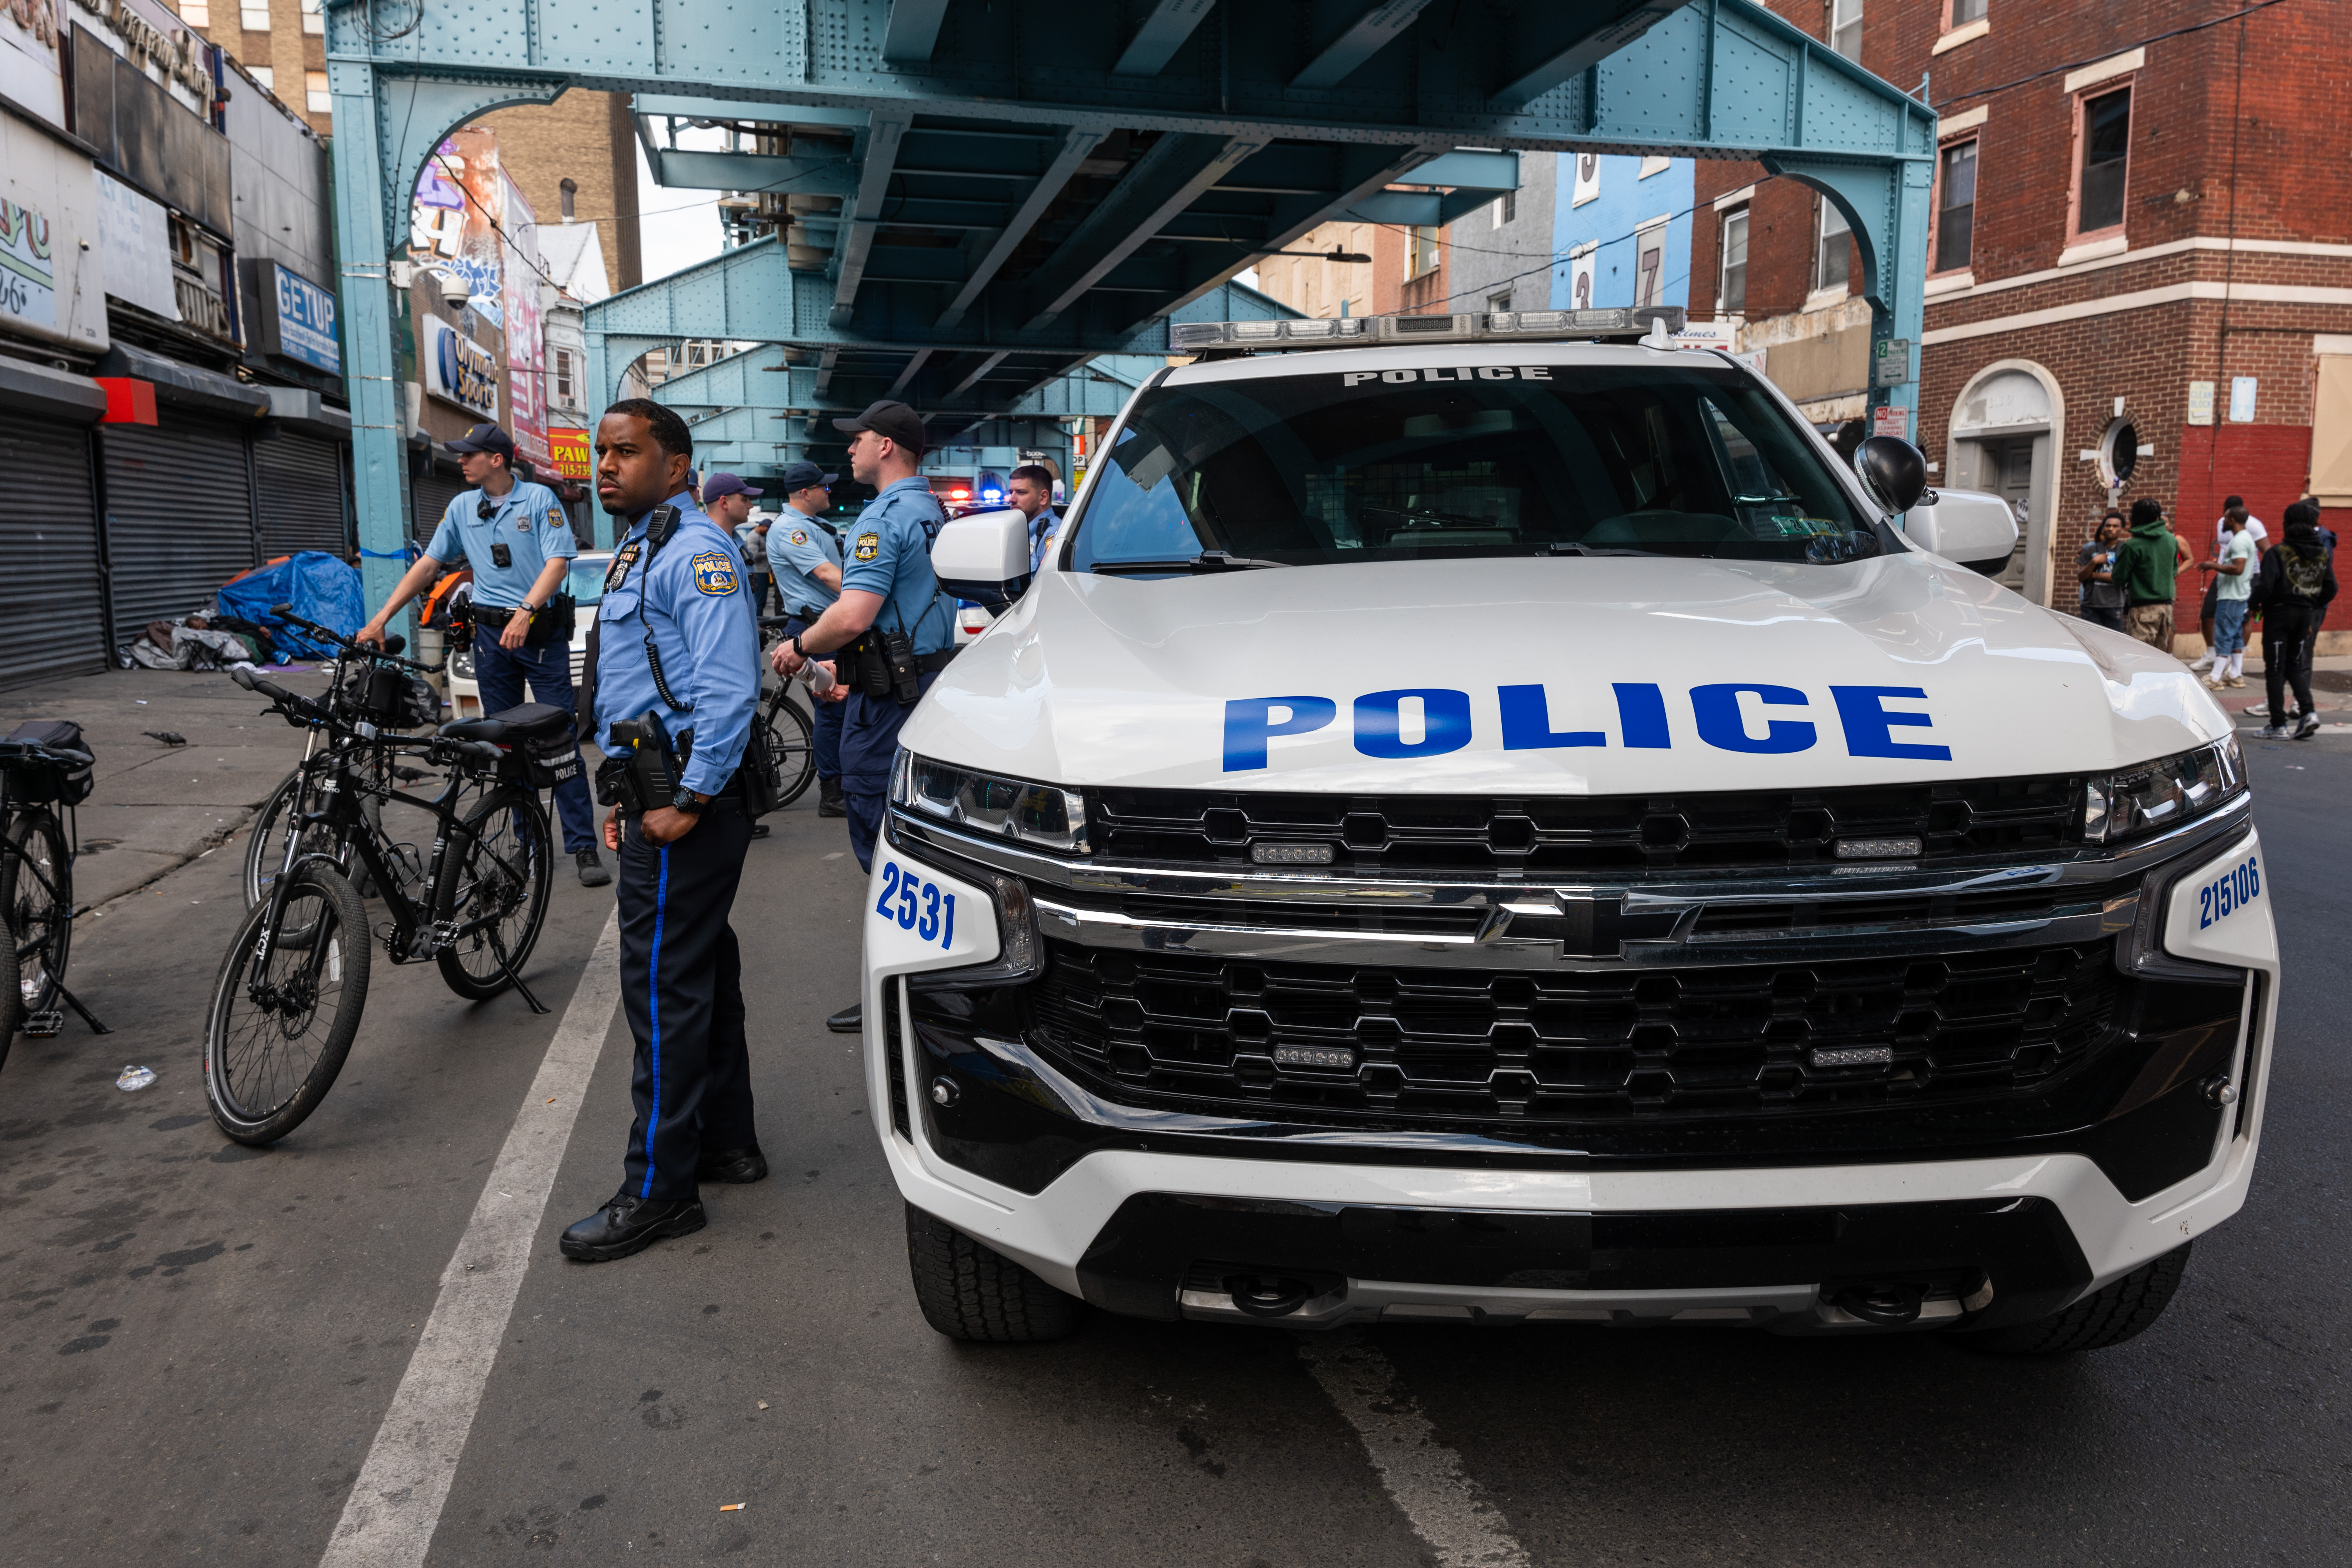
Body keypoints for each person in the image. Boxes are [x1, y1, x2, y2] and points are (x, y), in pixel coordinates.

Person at [559, 400, 766, 1263]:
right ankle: (724, 1143)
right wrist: (621, 792)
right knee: (700, 967)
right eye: (602, 452)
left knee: (659, 988)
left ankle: (658, 1190)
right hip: (654, 784)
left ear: (677, 467)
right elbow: (638, 684)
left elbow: (727, 691)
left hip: (687, 798)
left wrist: (687, 799)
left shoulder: (695, 553)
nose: (606, 464)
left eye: (627, 452)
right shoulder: (641, 546)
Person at [356, 422, 608, 887]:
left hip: (539, 634)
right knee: (504, 743)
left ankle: (583, 847)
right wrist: (382, 619)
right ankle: (526, 848)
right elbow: (429, 565)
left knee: (558, 739)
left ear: (496, 459)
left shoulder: (538, 501)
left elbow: (557, 564)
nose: (461, 461)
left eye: (469, 454)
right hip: (491, 638)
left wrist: (526, 612)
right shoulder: (460, 508)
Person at [770, 400, 953, 1035]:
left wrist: (801, 647)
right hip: (922, 684)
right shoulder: (933, 511)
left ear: (886, 447)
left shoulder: (883, 516)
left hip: (886, 700)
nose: (848, 449)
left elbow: (853, 616)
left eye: (859, 439)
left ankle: (901, 996)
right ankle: (928, 987)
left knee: (880, 836)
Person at [765, 459, 849, 819]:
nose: (827, 491)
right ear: (805, 493)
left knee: (843, 709)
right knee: (833, 710)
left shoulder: (811, 525)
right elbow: (826, 574)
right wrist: (870, 597)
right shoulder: (790, 531)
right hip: (816, 630)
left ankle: (844, 784)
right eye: (822, 487)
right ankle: (832, 794)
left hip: (829, 625)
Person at [2247, 500, 2337, 741]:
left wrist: (2253, 605)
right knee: (2295, 665)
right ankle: (2309, 713)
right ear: (2312, 525)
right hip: (2306, 615)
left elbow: (2265, 586)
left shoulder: (2278, 553)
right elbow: (2332, 587)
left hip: (2279, 615)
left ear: (2287, 525)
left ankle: (2278, 724)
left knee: (2275, 669)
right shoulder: (2321, 554)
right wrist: (2312, 603)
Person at [2191, 495, 2268, 673]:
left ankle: (2232, 666)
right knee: (2208, 612)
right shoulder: (2223, 524)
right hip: (2224, 573)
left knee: (2240, 619)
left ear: (2231, 516)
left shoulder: (2253, 527)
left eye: (2225, 515)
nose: (2223, 518)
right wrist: (2221, 563)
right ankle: (2213, 655)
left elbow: (2266, 552)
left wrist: (2264, 581)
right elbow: (2228, 549)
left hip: (2247, 576)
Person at [2198, 508, 2257, 689]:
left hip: (2231, 596)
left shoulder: (2239, 541)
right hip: (2239, 595)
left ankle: (2215, 677)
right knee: (2236, 634)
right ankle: (2235, 674)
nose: (2222, 522)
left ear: (2232, 520)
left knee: (2224, 633)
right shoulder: (2245, 538)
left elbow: (2238, 568)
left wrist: (2212, 566)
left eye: (2224, 519)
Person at [702, 472, 772, 609]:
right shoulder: (706, 545)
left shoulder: (735, 541)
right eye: (745, 500)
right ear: (724, 502)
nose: (751, 505)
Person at [2075, 511, 2128, 632]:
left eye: (2115, 526)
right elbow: (2081, 577)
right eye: (2108, 526)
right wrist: (2094, 562)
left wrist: (2093, 575)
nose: (2111, 529)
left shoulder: (2125, 550)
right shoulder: (2090, 550)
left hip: (2114, 605)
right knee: (2090, 641)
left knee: (2113, 644)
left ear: (2122, 530)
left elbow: (2119, 578)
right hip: (2090, 606)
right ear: (2103, 528)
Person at [1007, 463, 1061, 573]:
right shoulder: (1017, 533)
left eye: (1021, 493)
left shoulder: (1054, 535)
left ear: (1043, 497)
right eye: (1011, 492)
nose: (1012, 499)